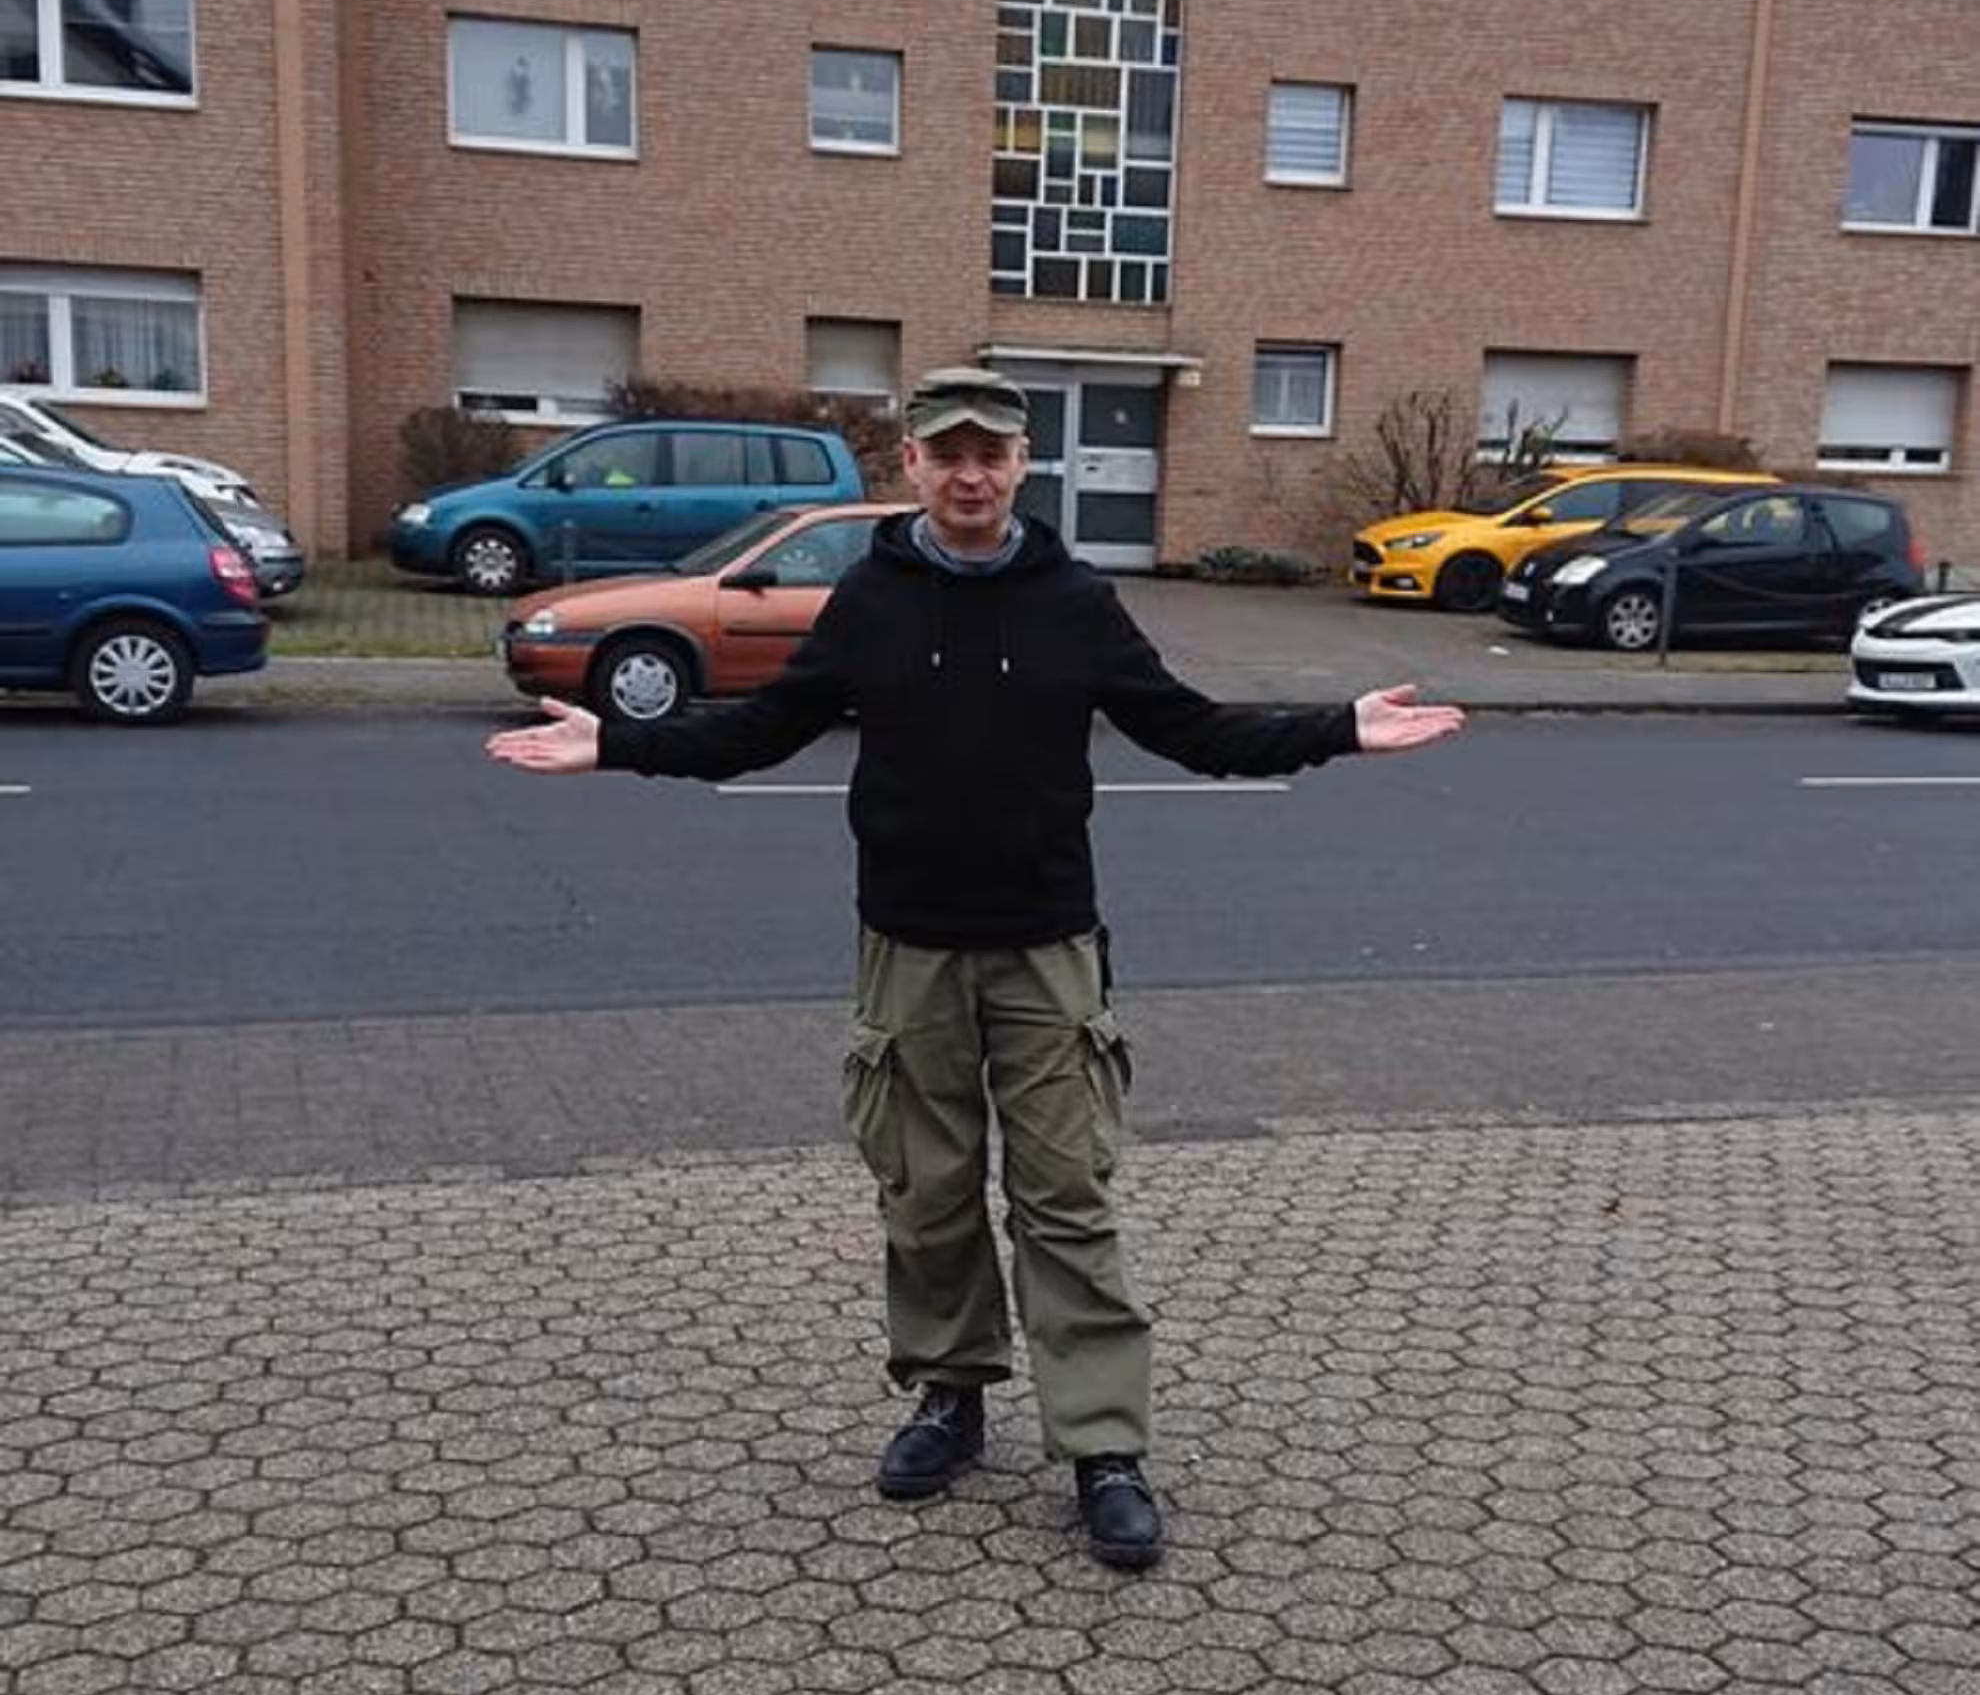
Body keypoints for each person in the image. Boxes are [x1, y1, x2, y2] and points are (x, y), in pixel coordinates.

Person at [486, 365, 1465, 1570]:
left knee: (1067, 1200)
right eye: (946, 454)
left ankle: (1104, 1444)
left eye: (990, 455)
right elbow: (761, 730)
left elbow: (1192, 729)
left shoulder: (1074, 602)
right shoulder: (869, 600)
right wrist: (621, 744)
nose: (969, 476)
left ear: (1019, 465)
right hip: (909, 950)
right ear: (911, 463)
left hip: (1047, 952)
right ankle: (950, 1395)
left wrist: (1337, 729)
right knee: (927, 1193)